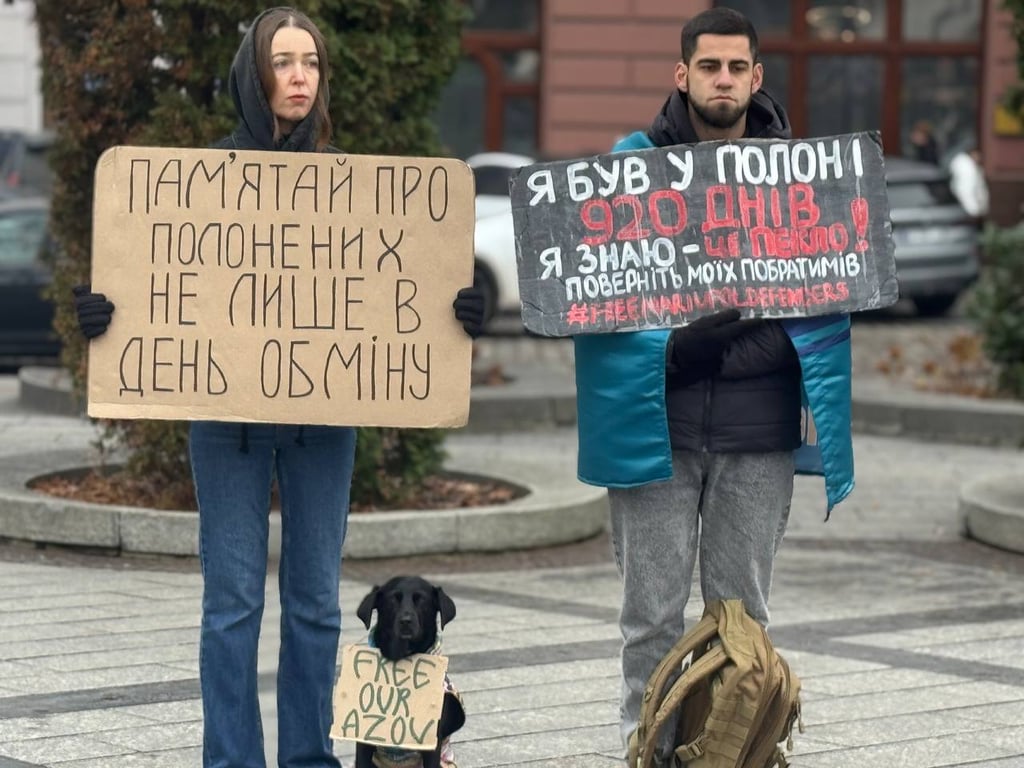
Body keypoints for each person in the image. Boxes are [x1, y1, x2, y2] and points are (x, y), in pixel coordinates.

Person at [72, 8, 485, 768]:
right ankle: (231, 760)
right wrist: (105, 313)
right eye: (283, 61)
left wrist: (454, 314)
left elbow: (396, 288)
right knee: (231, 605)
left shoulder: (354, 187)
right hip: (226, 420)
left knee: (314, 606)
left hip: (325, 417)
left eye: (312, 63)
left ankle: (306, 758)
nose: (300, 76)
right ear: (253, 75)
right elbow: (155, 275)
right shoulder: (197, 182)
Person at [570, 8, 854, 764]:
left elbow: (816, 297)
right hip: (652, 433)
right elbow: (595, 293)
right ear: (683, 75)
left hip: (757, 438)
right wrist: (671, 352)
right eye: (709, 67)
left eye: (736, 68)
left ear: (756, 77)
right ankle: (650, 756)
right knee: (651, 622)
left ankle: (735, 757)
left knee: (743, 620)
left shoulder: (800, 177)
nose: (722, 80)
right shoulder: (625, 172)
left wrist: (709, 352)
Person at [948, 146, 989, 218]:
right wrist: (974, 210)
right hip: (967, 211)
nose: (979, 158)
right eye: (977, 155)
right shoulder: (966, 168)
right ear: (972, 154)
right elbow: (965, 190)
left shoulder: (973, 167)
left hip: (972, 209)